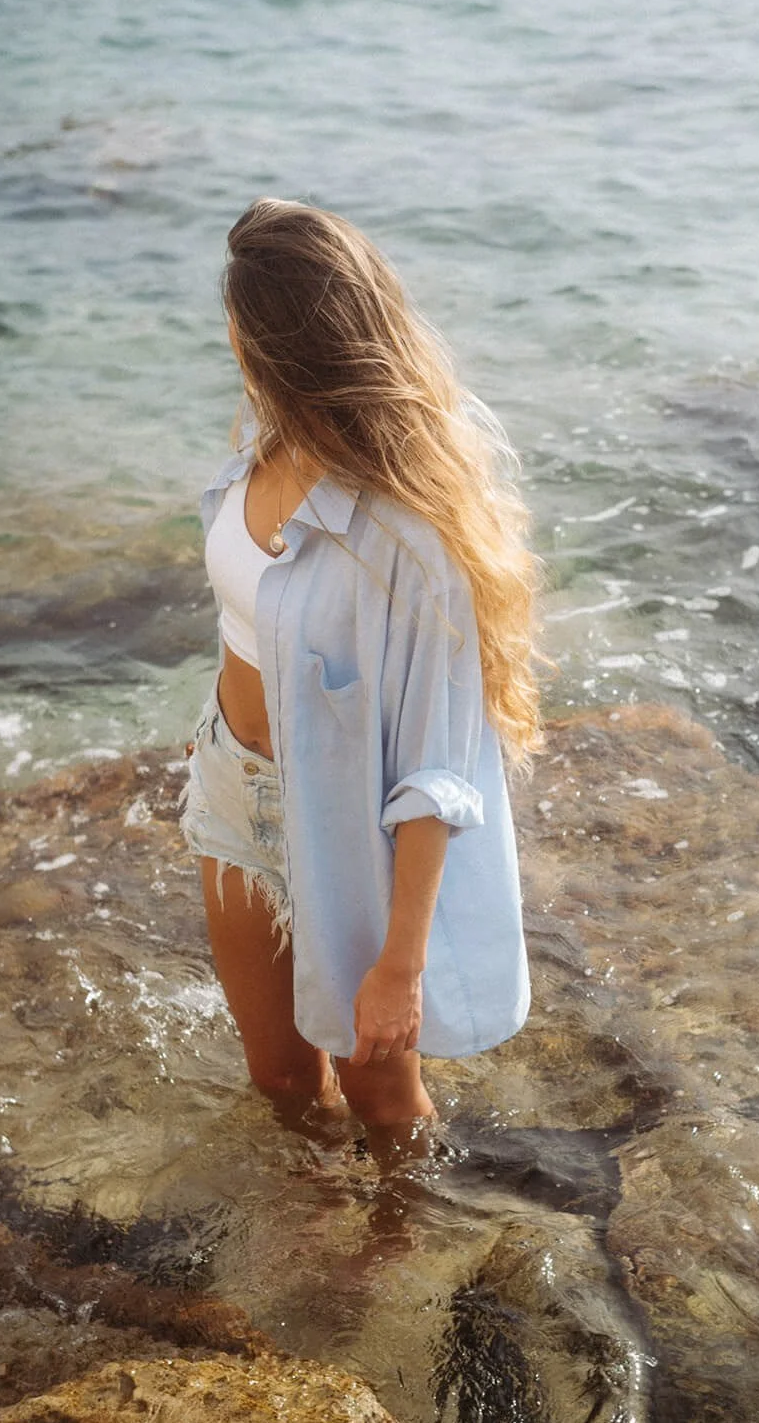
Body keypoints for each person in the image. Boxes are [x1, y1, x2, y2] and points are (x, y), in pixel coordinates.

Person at [180, 199, 543, 1153]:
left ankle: (399, 1256)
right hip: (233, 788)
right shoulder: (257, 456)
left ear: (268, 341)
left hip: (345, 828)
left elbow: (441, 769)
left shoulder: (410, 543)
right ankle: (312, 1265)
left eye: (237, 322)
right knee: (279, 1080)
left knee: (384, 1104)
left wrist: (402, 965)